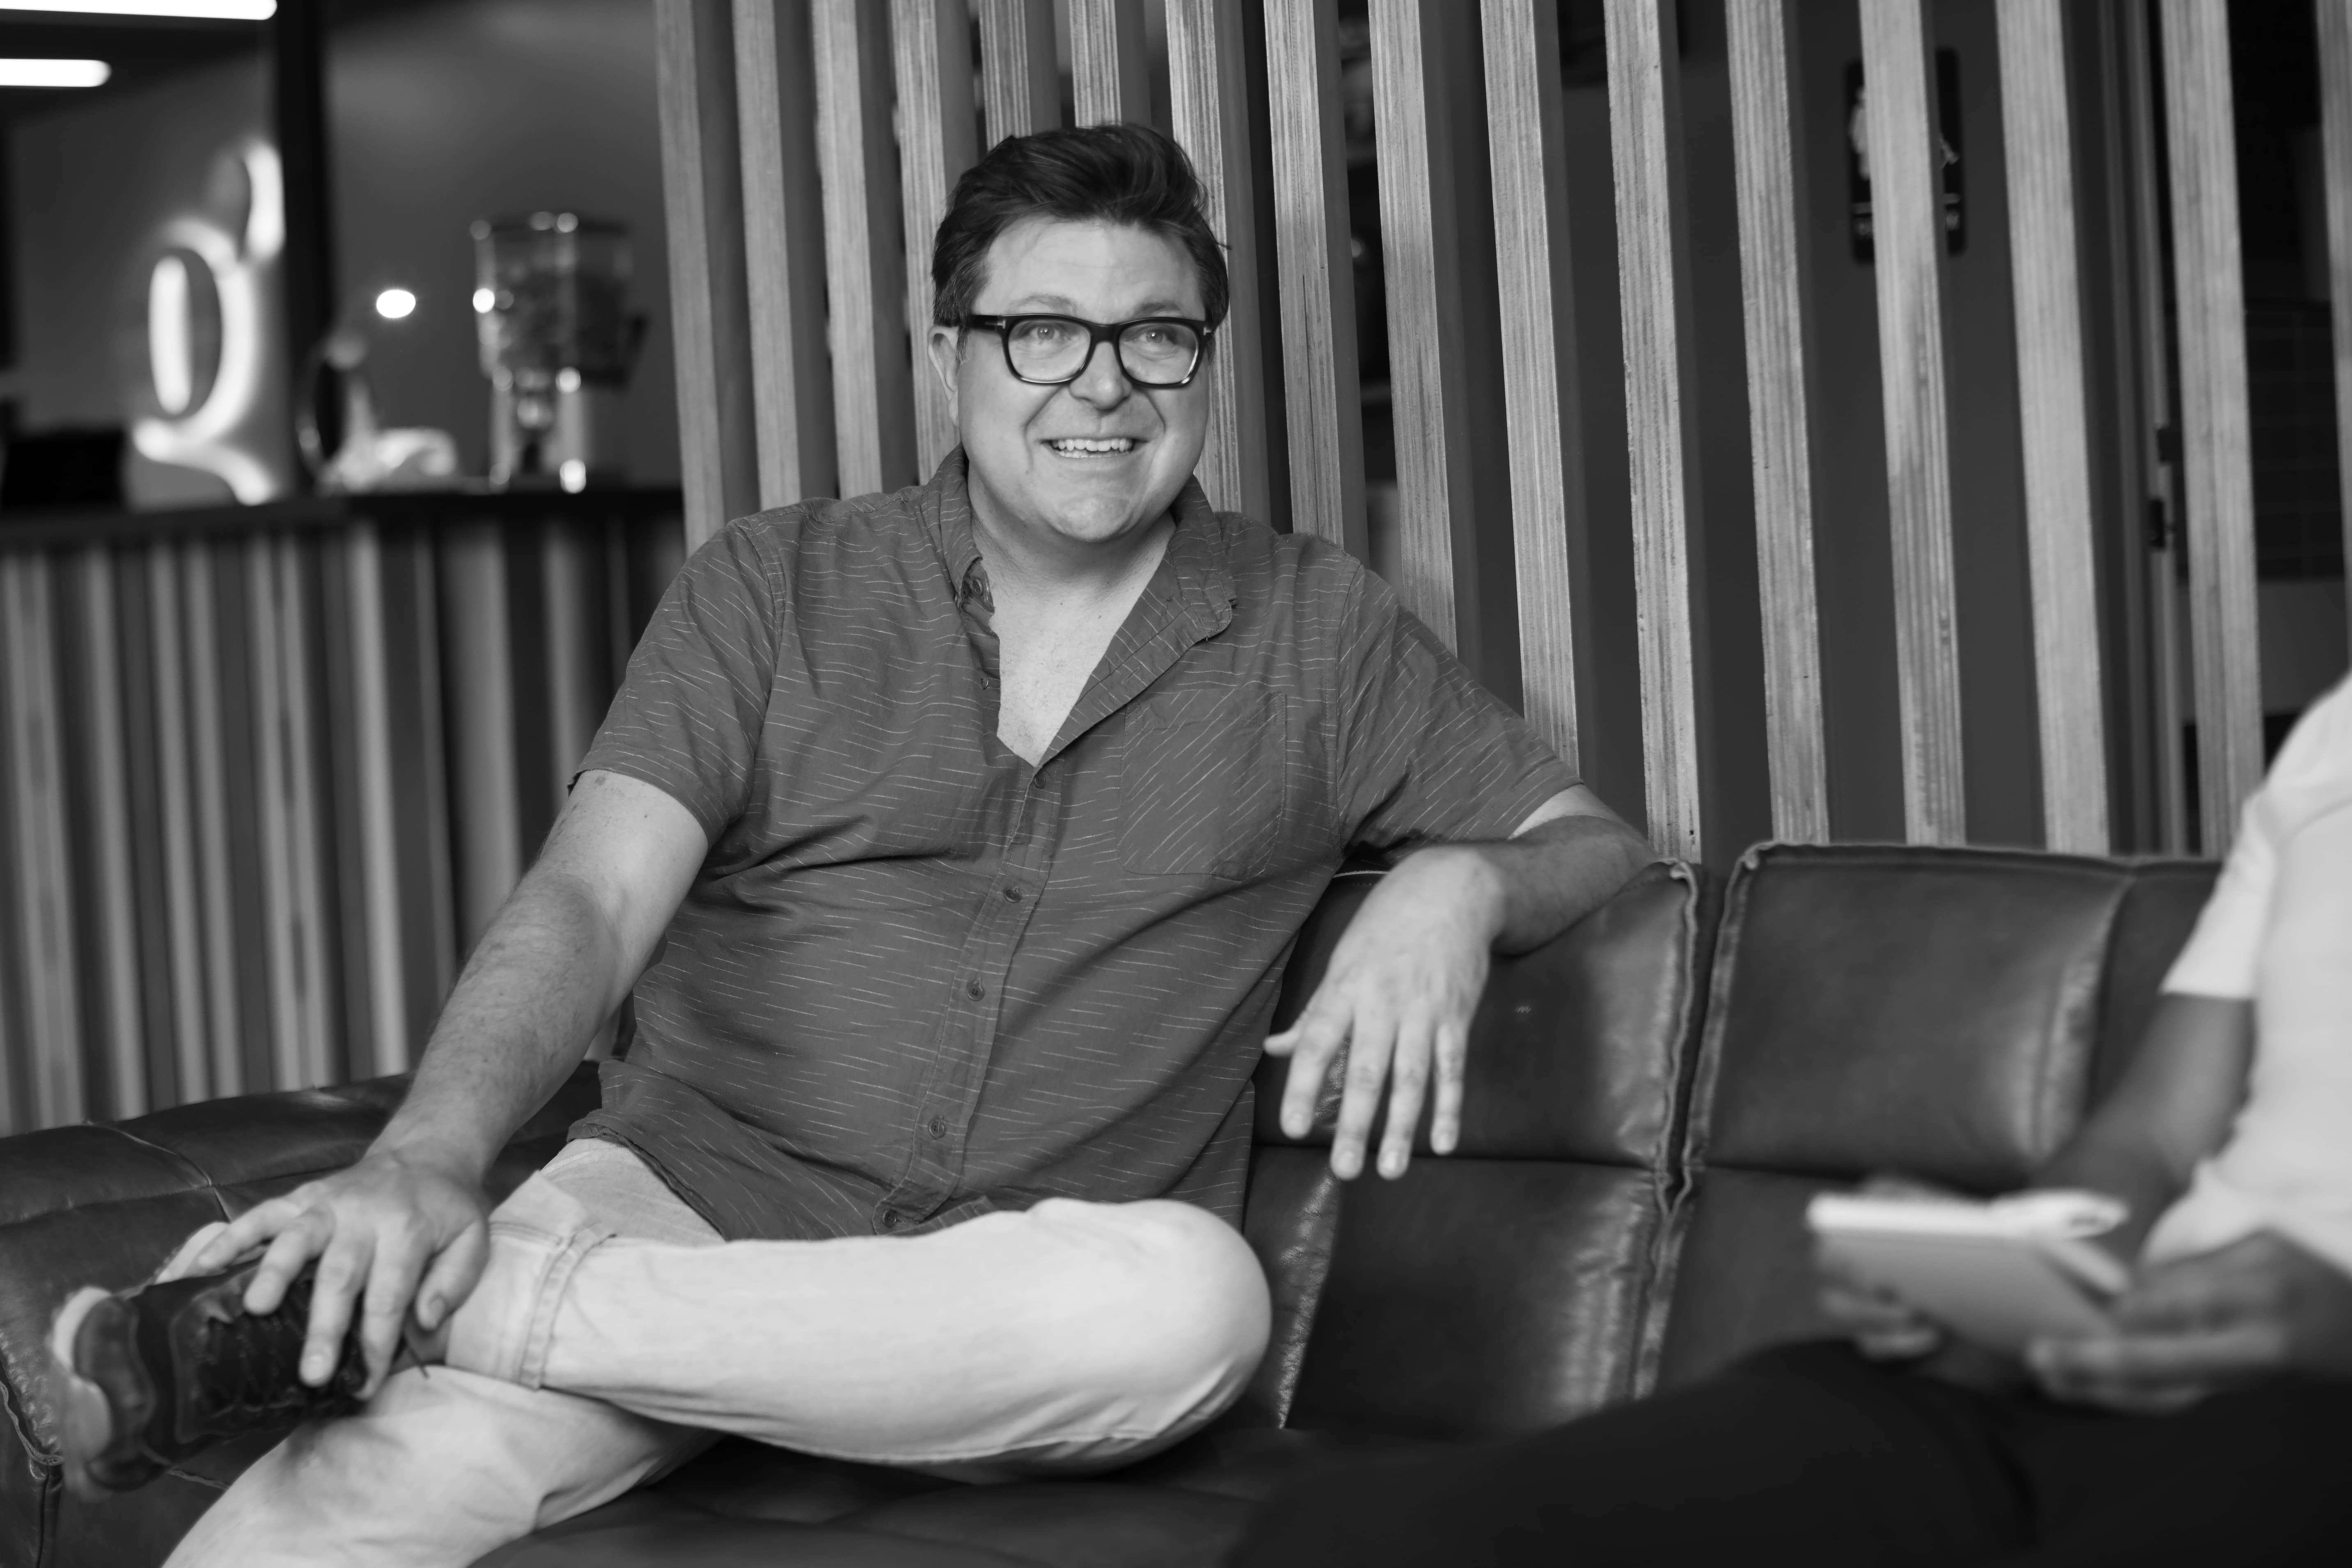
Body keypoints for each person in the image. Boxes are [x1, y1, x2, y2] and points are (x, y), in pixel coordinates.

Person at [53, 124, 1653, 1568]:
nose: (1102, 385)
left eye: (1154, 338)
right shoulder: (772, 587)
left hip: (1005, 1289)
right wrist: (423, 1161)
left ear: (1202, 368)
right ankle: (505, 1298)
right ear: (944, 351)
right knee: (352, 1503)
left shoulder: (1316, 631)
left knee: (1186, 1302)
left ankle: (444, 1304)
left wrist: (1462, 877)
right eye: (1041, 332)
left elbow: (1591, 843)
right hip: (679, 1197)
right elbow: (593, 898)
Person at [1229, 674, 2352, 1568]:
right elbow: (2152, 1141)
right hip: (2066, 1386)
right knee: (1348, 1539)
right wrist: (2015, 1270)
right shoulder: (2324, 752)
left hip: (2308, 1424)